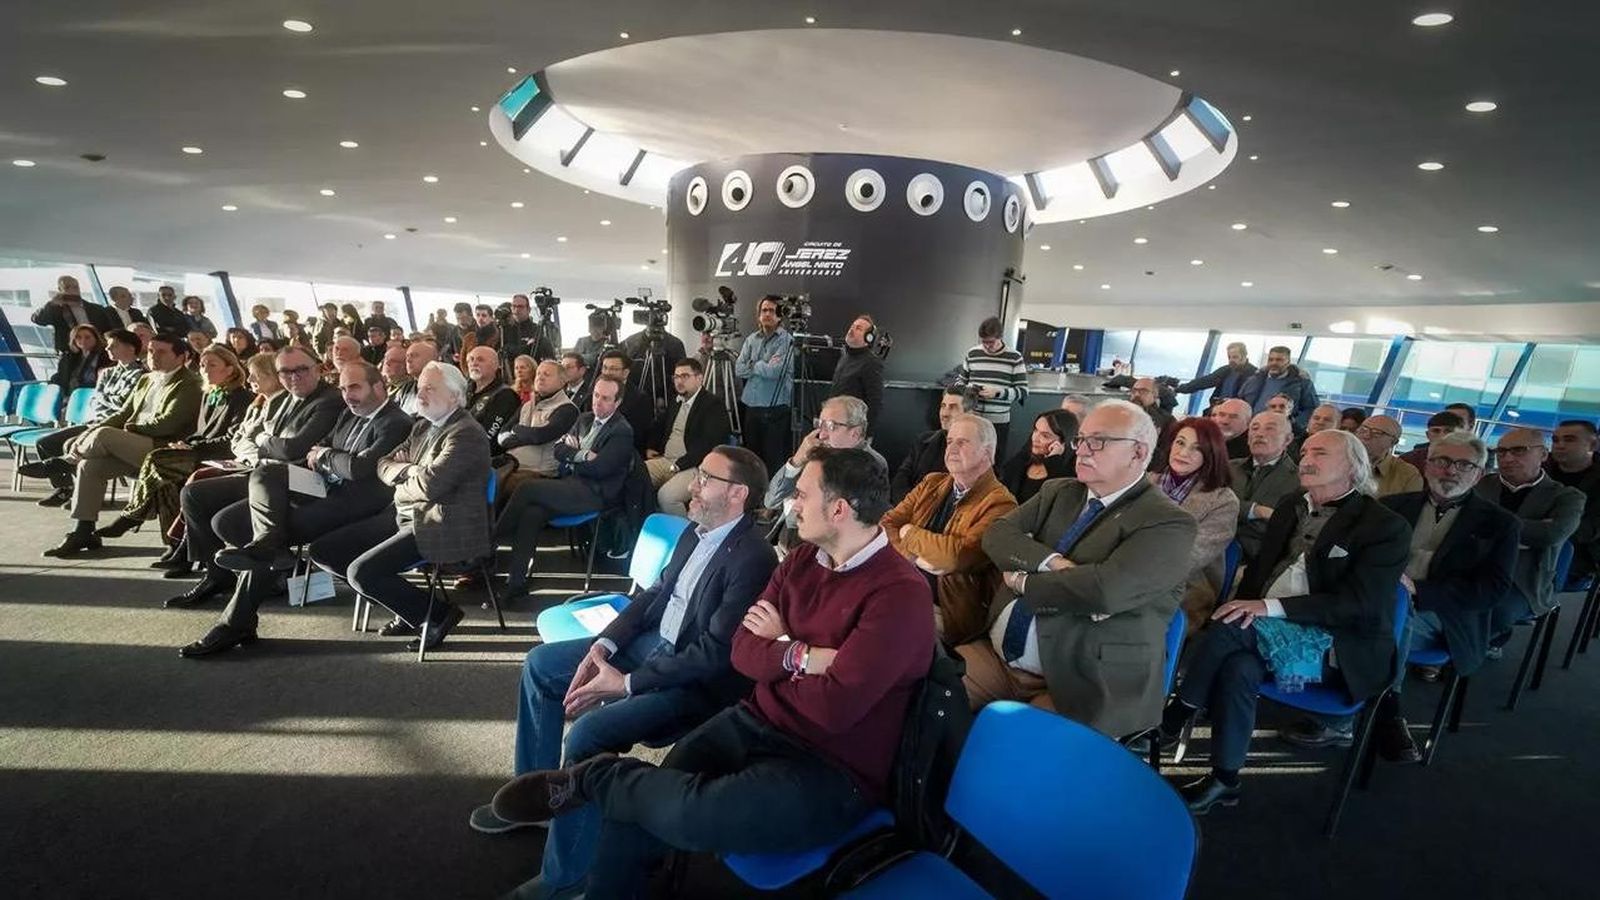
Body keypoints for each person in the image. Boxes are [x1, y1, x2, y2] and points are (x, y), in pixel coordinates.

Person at [486, 447, 934, 900]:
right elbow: (742, 652)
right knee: (639, 809)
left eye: (801, 494)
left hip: (829, 767)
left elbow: (833, 710)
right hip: (757, 719)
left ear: (839, 509)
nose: (791, 503)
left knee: (686, 811)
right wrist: (803, 657)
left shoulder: (899, 595)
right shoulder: (800, 562)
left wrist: (777, 648)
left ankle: (595, 778)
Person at [475, 447, 778, 899]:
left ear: (737, 493)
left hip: (692, 682)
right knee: (541, 665)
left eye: (705, 479)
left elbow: (715, 655)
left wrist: (626, 683)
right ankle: (539, 795)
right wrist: (605, 644)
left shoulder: (753, 558)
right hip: (649, 646)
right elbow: (655, 595)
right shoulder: (698, 533)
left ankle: (569, 878)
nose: (692, 487)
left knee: (587, 736)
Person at [1158, 429, 1412, 814]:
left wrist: (1268, 607)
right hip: (1266, 636)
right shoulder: (1292, 504)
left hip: (1334, 652)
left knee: (1232, 626)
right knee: (1240, 666)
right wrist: (1254, 603)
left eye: (1321, 453)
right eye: (1305, 450)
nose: (1306, 458)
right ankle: (1224, 780)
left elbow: (1358, 605)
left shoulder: (1384, 526)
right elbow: (1261, 569)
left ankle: (1175, 715)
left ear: (1353, 467)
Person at [1280, 432, 1518, 763]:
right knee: (1371, 607)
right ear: (1426, 466)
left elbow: (1493, 588)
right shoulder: (1391, 508)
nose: (1450, 470)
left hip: (1444, 617)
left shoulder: (1501, 524)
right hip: (1376, 599)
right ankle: (1365, 697)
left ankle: (1369, 710)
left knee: (1389, 612)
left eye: (1463, 464)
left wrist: (1419, 590)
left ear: (1478, 474)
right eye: (1441, 461)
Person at [962, 399, 1196, 736]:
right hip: (1000, 659)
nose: (1082, 451)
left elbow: (1105, 590)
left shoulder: (1169, 522)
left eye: (1097, 441)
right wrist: (1052, 562)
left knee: (1019, 749)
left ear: (1138, 453)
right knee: (928, 692)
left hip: (1084, 678)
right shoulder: (1060, 491)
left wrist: (1024, 582)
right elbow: (997, 535)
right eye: (1080, 440)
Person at [177, 362, 413, 657]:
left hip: (356, 503)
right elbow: (318, 451)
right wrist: (328, 456)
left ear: (378, 387)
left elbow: (358, 468)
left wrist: (326, 455)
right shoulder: (346, 414)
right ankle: (267, 548)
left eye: (355, 387)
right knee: (237, 510)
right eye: (342, 388)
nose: (347, 395)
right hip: (321, 488)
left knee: (255, 529)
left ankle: (236, 620)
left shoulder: (396, 421)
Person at [307, 361, 490, 651]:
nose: (421, 394)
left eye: (430, 388)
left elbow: (430, 486)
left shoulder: (467, 433)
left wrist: (406, 474)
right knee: (324, 550)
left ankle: (436, 614)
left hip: (444, 522)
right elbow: (382, 465)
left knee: (361, 573)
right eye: (419, 387)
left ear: (455, 396)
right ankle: (407, 608)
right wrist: (411, 470)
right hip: (407, 513)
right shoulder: (421, 426)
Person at [165, 346, 343, 608]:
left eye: (301, 369)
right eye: (285, 372)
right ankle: (216, 575)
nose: (294, 376)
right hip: (265, 471)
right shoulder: (281, 399)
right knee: (194, 493)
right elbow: (259, 440)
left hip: (302, 479)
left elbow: (293, 448)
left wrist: (262, 439)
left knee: (225, 519)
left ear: (317, 368)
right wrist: (268, 442)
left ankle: (274, 561)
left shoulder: (329, 400)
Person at [39, 333, 203, 557]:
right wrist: (91, 431)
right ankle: (83, 530)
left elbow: (168, 423)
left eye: (162, 351)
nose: (154, 356)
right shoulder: (147, 379)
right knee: (90, 467)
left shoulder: (189, 383)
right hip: (134, 443)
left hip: (163, 447)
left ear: (181, 356)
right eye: (152, 351)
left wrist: (127, 429)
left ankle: (67, 461)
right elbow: (123, 413)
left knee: (105, 435)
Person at [497, 375, 636, 602]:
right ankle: (516, 582)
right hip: (572, 486)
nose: (597, 402)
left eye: (606, 399)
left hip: (595, 494)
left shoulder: (622, 431)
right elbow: (558, 450)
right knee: (532, 513)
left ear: (617, 402)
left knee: (526, 489)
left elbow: (600, 468)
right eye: (596, 395)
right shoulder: (584, 418)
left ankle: (490, 541)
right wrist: (582, 455)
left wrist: (573, 458)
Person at [93, 346, 254, 541]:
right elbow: (200, 432)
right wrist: (184, 443)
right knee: (165, 481)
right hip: (200, 450)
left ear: (230, 369)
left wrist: (193, 447)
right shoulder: (208, 394)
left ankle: (133, 516)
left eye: (212, 365)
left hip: (220, 456)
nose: (205, 370)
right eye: (202, 365)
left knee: (158, 460)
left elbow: (231, 440)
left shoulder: (242, 398)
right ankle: (173, 543)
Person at [883, 413, 1017, 643]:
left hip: (946, 608)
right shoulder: (931, 482)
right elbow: (886, 524)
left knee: (885, 629)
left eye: (962, 442)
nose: (951, 448)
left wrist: (908, 532)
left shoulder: (1000, 503)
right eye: (950, 441)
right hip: (901, 584)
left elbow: (954, 557)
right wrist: (914, 558)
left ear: (987, 453)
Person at [1476, 428, 1584, 649]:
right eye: (1501, 451)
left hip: (1525, 578)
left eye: (1518, 451)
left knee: (1495, 611)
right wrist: (1527, 531)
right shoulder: (1484, 485)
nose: (1507, 458)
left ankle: (1458, 653)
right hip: (1474, 564)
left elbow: (1551, 535)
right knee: (1436, 596)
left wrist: (1492, 525)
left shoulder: (1567, 497)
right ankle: (1461, 647)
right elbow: (1463, 523)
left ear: (1543, 455)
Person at [27, 327, 147, 508]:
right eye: (108, 346)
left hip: (115, 427)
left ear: (130, 348)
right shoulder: (107, 372)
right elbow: (95, 402)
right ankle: (64, 488)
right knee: (45, 443)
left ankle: (87, 496)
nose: (108, 350)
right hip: (95, 422)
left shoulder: (141, 374)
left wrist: (105, 399)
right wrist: (108, 399)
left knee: (73, 445)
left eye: (113, 346)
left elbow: (125, 405)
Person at [1150, 417, 1240, 632]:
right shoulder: (1146, 481)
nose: (1183, 453)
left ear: (1211, 455)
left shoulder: (1223, 501)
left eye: (1196, 448)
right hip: (1127, 573)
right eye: (1180, 442)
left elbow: (1191, 557)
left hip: (1185, 589)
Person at [763, 396, 886, 527]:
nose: (822, 435)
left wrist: (791, 505)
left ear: (855, 433)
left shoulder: (871, 465)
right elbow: (771, 500)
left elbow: (812, 521)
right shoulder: (819, 451)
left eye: (831, 426)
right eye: (820, 424)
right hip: (782, 538)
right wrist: (797, 460)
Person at [645, 358, 730, 517]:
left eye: (685, 376)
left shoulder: (712, 405)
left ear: (699, 378)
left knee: (667, 497)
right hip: (666, 460)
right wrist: (651, 446)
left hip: (694, 466)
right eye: (676, 377)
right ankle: (647, 527)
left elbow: (709, 444)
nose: (679, 381)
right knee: (634, 476)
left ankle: (687, 536)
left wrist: (679, 465)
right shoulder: (676, 401)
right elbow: (659, 424)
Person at [733, 296, 795, 475]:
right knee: (751, 459)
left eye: (772, 310)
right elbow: (738, 369)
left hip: (776, 409)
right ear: (758, 315)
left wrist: (753, 364)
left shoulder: (787, 340)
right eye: (764, 310)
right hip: (751, 407)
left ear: (780, 315)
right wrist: (763, 364)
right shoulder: (752, 339)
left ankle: (772, 500)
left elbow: (775, 371)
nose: (767, 314)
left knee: (773, 460)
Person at [1228, 411, 1299, 565]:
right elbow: (1210, 504)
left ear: (1288, 439)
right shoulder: (1227, 468)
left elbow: (1283, 527)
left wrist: (1234, 510)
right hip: (1213, 545)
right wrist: (1257, 511)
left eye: (1270, 428)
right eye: (1254, 428)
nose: (1259, 434)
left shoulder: (1298, 480)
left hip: (1255, 560)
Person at [499, 360, 580, 489]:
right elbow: (502, 435)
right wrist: (524, 436)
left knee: (499, 486)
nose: (540, 378)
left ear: (562, 381)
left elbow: (540, 436)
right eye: (538, 374)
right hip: (512, 463)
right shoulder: (527, 405)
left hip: (539, 472)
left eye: (547, 374)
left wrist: (516, 429)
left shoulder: (567, 409)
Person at [958, 316, 1028, 460]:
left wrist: (998, 393)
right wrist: (968, 389)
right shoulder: (973, 354)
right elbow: (960, 382)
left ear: (1000, 337)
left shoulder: (1014, 357)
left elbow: (1023, 391)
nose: (986, 346)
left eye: (991, 342)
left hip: (998, 423)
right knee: (968, 459)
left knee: (993, 461)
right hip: (972, 418)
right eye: (983, 342)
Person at [890, 387, 973, 502]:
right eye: (943, 406)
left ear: (969, 414)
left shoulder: (976, 451)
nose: (944, 413)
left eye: (953, 408)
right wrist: (908, 508)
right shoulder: (923, 441)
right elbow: (902, 478)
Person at [1547, 420, 1600, 585]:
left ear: (1592, 445)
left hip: (1578, 556)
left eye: (1569, 440)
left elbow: (1589, 531)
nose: (1560, 445)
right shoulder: (1540, 470)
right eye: (1555, 440)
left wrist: (1548, 527)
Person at [996, 408, 1078, 505]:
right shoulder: (1023, 459)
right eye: (1035, 430)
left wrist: (1054, 461)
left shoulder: (1069, 473)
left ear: (1063, 443)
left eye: (1045, 436)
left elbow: (1058, 502)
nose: (1035, 438)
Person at [1237, 345, 1319, 427]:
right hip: (1252, 426)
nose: (1274, 363)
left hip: (1281, 430)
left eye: (1279, 360)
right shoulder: (1254, 379)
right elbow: (1240, 401)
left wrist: (1294, 424)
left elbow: (1312, 409)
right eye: (1271, 359)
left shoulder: (1301, 383)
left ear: (1288, 362)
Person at [31, 275, 115, 355]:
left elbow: (109, 330)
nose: (72, 290)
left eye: (75, 287)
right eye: (67, 287)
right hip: (70, 353)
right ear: (60, 290)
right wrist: (52, 303)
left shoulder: (97, 309)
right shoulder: (56, 310)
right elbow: (38, 319)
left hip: (98, 351)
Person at [828, 314, 886, 428]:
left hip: (852, 429)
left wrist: (867, 433)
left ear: (868, 338)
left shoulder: (871, 362)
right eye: (852, 326)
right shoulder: (845, 357)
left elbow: (875, 402)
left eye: (858, 328)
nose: (851, 330)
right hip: (835, 423)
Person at [463, 345, 520, 454]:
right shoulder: (464, 391)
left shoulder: (505, 396)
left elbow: (488, 437)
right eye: (471, 359)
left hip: (483, 458)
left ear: (495, 366)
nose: (473, 363)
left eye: (480, 360)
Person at [597, 350, 654, 454]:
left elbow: (636, 436)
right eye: (605, 368)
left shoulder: (640, 399)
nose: (607, 372)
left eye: (613, 369)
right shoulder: (596, 390)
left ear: (625, 373)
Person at [1356, 414, 1423, 496]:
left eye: (1377, 433)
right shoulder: (1340, 459)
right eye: (1363, 430)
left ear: (1393, 442)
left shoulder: (1407, 475)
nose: (1366, 436)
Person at [1176, 341, 1257, 402]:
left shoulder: (1254, 374)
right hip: (1217, 409)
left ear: (1244, 356)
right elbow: (1203, 382)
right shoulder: (1225, 370)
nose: (1231, 360)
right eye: (1229, 357)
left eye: (1235, 357)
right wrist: (1178, 388)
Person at [501, 293, 557, 367]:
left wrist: (517, 349)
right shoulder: (504, 329)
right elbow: (505, 350)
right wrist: (526, 347)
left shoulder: (537, 329)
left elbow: (536, 350)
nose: (517, 309)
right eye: (514, 306)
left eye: (520, 307)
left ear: (528, 309)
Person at [51, 324, 109, 396]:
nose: (83, 340)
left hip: (91, 393)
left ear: (96, 338)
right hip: (70, 394)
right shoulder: (69, 357)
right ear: (73, 340)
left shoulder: (106, 356)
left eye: (87, 337)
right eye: (78, 337)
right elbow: (62, 377)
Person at [1398, 411, 1467, 470]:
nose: (1442, 436)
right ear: (1428, 435)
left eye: (1448, 431)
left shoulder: (1470, 463)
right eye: (1436, 431)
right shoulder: (1408, 460)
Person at [391, 340, 436, 415]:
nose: (408, 360)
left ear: (431, 359)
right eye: (407, 356)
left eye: (414, 355)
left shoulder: (442, 386)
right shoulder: (406, 388)